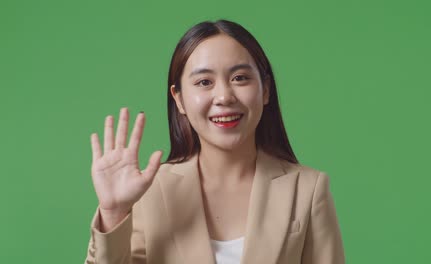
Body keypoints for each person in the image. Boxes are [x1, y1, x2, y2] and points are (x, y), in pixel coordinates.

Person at [84, 19, 345, 264]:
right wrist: (113, 213)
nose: (224, 96)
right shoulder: (149, 192)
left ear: (265, 89)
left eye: (240, 78)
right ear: (179, 99)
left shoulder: (308, 189)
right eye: (204, 82)